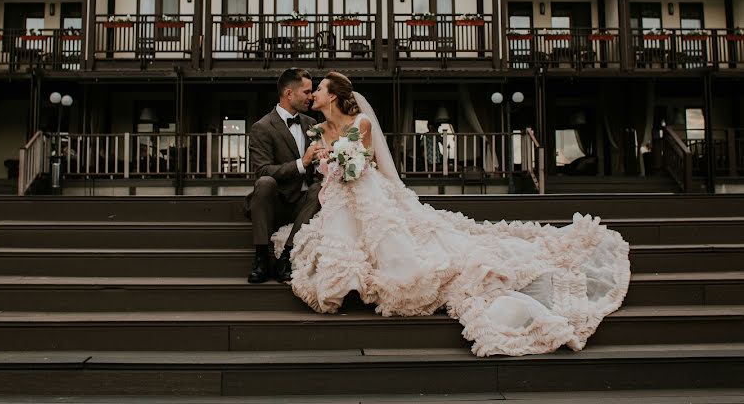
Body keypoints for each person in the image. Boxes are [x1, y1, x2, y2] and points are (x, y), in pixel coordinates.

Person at [270, 71, 630, 357]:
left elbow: (366, 160)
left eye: (318, 89)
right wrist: (325, 161)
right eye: (310, 90)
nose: (312, 93)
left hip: (365, 188)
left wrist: (347, 162)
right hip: (336, 195)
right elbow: (320, 161)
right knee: (338, 241)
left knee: (392, 237)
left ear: (332, 95)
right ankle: (346, 284)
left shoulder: (360, 122)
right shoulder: (315, 128)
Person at [244, 68, 324, 284]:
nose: (311, 96)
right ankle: (261, 256)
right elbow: (262, 170)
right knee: (264, 181)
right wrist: (301, 163)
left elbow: (316, 168)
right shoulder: (262, 127)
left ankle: (287, 256)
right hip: (275, 202)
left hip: (302, 202)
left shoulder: (312, 125)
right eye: (307, 92)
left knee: (321, 189)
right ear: (289, 93)